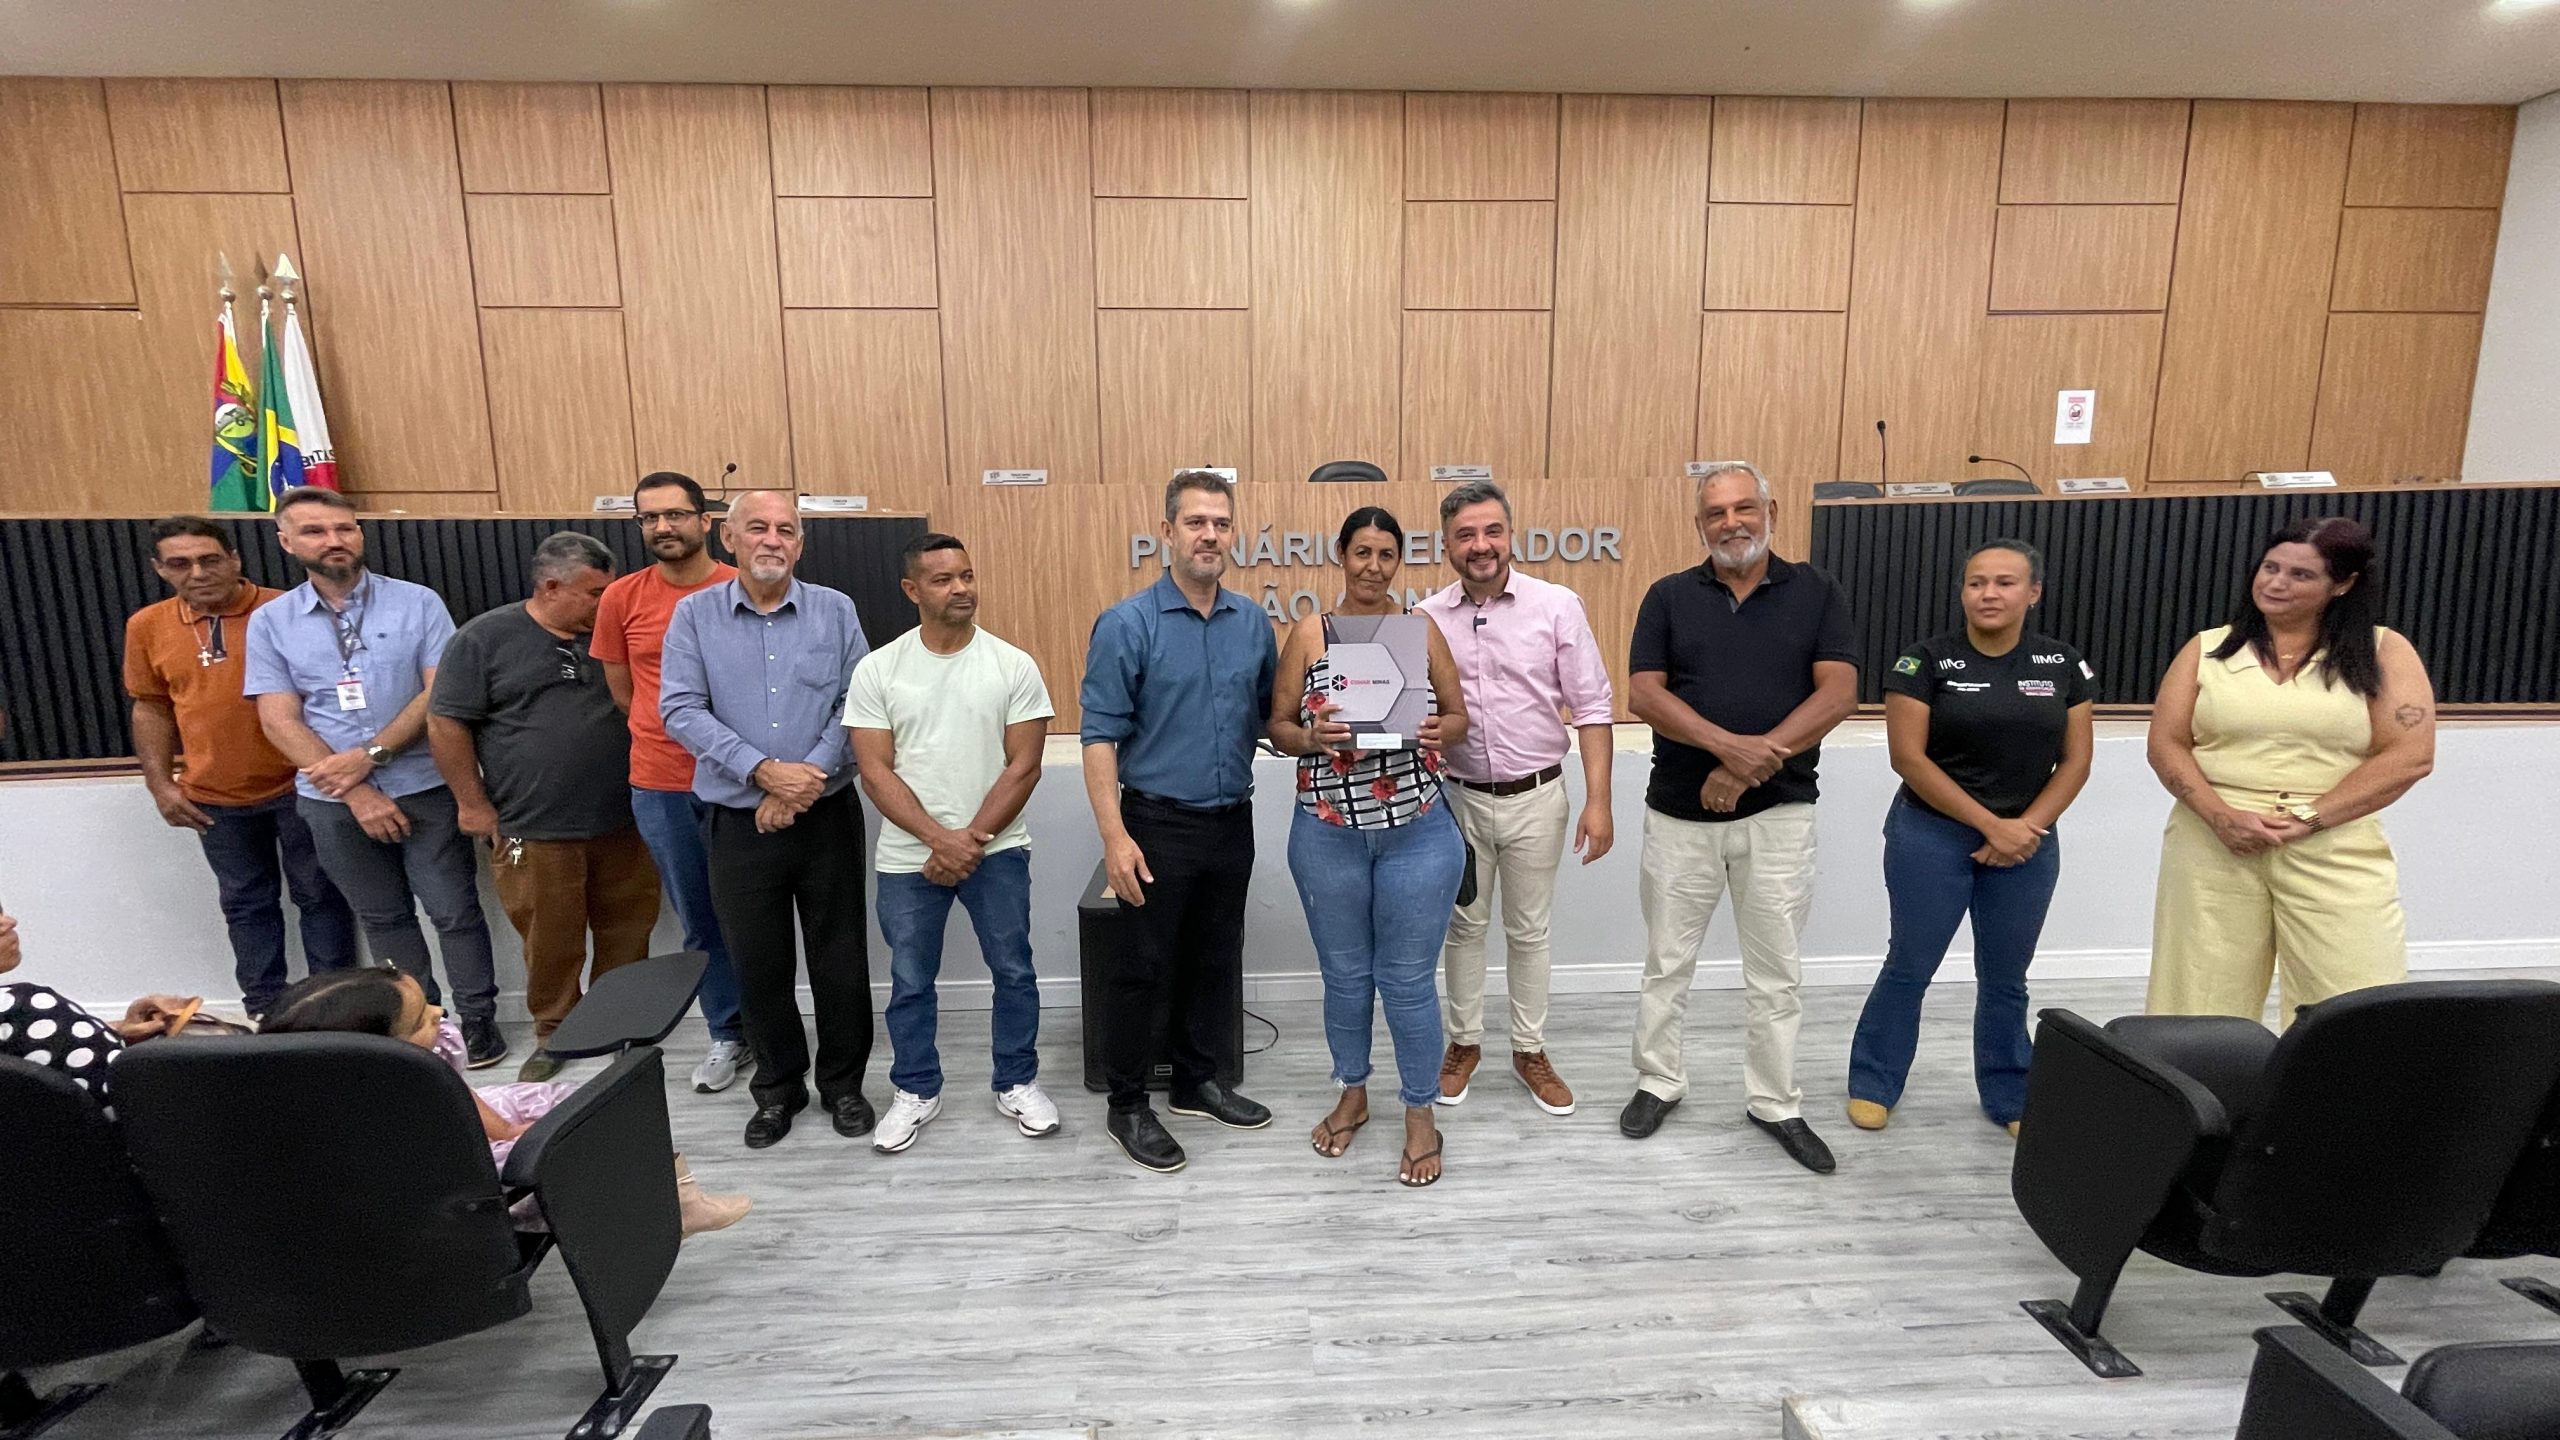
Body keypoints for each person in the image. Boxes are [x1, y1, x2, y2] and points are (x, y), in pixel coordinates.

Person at [1622, 461, 1858, 1174]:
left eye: (1743, 508)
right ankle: (1658, 1081)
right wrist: (1730, 748)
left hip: (1779, 817)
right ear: (1700, 526)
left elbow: (1839, 692)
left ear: (1770, 512)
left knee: (1776, 971)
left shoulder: (1816, 591)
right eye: (1716, 513)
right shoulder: (1668, 596)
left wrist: (1751, 765)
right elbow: (1644, 694)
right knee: (1667, 963)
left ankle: (1775, 1102)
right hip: (1679, 818)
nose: (1731, 523)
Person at [243, 486, 506, 1068]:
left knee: (454, 910)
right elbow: (278, 718)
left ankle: (477, 1018)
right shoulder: (271, 622)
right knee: (384, 918)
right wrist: (358, 789)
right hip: (333, 801)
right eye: (314, 531)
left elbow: (441, 693)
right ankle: (416, 1024)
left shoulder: (417, 603)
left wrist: (372, 755)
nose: (334, 540)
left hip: (424, 785)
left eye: (345, 528)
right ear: (286, 542)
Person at [1844, 540, 2094, 1136]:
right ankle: (1874, 1082)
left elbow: (2076, 761)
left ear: (2033, 593)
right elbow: (1909, 759)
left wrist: (2025, 829)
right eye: (1977, 582)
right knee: (1910, 963)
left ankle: (2010, 1094)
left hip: (2028, 842)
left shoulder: (2063, 664)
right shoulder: (1924, 662)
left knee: (2007, 976)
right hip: (1931, 835)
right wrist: (1991, 826)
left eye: (2005, 582)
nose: (1989, 594)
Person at [2145, 516, 2436, 1025]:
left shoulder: (2384, 651)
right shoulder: (2207, 648)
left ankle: (2334, 1084)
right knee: (2198, 995)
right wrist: (2220, 817)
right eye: (2270, 568)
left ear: (2342, 585)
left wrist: (2308, 817)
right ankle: (2202, 1082)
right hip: (2213, 842)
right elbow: (2166, 744)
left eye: (2300, 575)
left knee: (2353, 996)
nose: (2276, 583)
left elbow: (2410, 755)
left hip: (2333, 842)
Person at [659, 491, 876, 1149]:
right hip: (738, 821)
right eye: (758, 527)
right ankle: (778, 1091)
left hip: (826, 815)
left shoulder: (835, 610)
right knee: (758, 963)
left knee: (841, 959)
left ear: (800, 544)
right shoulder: (694, 616)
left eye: (786, 529)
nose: (772, 540)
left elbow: (859, 701)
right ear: (728, 538)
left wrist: (804, 780)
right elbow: (681, 709)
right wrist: (762, 772)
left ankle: (843, 1086)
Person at [1080, 469, 1279, 1174]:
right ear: (1167, 532)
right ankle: (1128, 1104)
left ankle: (1197, 1082)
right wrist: (1114, 837)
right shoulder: (1126, 624)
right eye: (1196, 522)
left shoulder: (1252, 623)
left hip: (1231, 822)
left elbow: (1270, 719)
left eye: (1221, 523)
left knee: (1214, 959)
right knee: (1141, 969)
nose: (1209, 535)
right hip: (1155, 824)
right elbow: (1098, 737)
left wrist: (1325, 726)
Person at [1268, 507, 1469, 1187]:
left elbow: (1459, 716)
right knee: (1346, 978)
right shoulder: (1309, 633)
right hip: (1327, 833)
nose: (1373, 566)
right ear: (1342, 555)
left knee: (1407, 983)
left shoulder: (1420, 631)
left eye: (1386, 554)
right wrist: (1309, 738)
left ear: (1398, 561)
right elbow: (1277, 725)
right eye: (1362, 552)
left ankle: (1420, 1112)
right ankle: (1352, 1093)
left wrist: (1442, 729)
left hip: (1418, 832)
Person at [259, 966, 749, 1237]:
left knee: (568, 1099)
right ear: (379, 1050)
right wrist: (517, 1138)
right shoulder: (400, 1092)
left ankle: (675, 1192)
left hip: (442, 1129)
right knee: (588, 1128)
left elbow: (463, 1099)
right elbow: (452, 1122)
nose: (439, 1013)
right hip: (447, 1168)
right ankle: (670, 1207)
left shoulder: (321, 1081)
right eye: (422, 1020)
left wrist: (508, 1127)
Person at [847, 533, 1058, 1155]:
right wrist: (940, 840)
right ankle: (916, 1089)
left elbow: (1024, 766)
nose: (961, 588)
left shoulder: (1012, 665)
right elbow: (874, 771)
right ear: (912, 590)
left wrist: (970, 840)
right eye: (943, 580)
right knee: (910, 980)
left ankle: (1016, 1081)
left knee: (1014, 971)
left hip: (998, 851)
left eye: (966, 575)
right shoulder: (878, 669)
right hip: (908, 859)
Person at [430, 532, 662, 1084]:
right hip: (530, 827)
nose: (605, 603)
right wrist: (471, 804)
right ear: (551, 586)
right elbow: (445, 722)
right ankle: (556, 1033)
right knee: (549, 937)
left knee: (629, 927)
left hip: (627, 817)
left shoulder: (617, 631)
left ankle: (618, 1025)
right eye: (594, 593)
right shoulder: (484, 639)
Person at [1415, 479, 1615, 1117]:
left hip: (1538, 797)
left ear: (1510, 535)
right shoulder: (1424, 618)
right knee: (1463, 927)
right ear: (1446, 545)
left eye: (1492, 531)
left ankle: (1529, 1050)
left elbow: (1593, 707)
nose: (1481, 545)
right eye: (1466, 535)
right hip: (1457, 801)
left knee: (1529, 931)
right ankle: (1464, 1043)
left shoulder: (1557, 606)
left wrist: (1600, 801)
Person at [124, 516, 358, 1018]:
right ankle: (265, 1011)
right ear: (160, 569)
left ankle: (333, 1009)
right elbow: (150, 706)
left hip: (303, 786)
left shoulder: (290, 610)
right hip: (215, 797)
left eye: (209, 559)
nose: (198, 573)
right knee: (245, 903)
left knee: (322, 894)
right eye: (180, 564)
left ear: (234, 559)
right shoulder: (147, 626)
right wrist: (160, 784)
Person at [592, 472, 754, 1095]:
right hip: (661, 784)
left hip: (740, 782)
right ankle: (728, 1032)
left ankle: (770, 1027)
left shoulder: (741, 588)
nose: (663, 527)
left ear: (706, 522)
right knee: (699, 917)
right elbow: (624, 692)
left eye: (676, 514)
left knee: (754, 913)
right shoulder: (621, 598)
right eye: (649, 517)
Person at [0, 910, 204, 1110]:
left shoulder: (17, 1014)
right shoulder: (24, 1005)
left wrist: (113, 1033)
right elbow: (126, 1099)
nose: (10, 922)